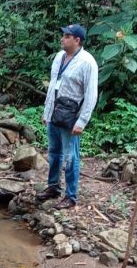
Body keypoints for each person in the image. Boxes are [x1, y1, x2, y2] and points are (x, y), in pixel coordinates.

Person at [36, 24, 99, 210]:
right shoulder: (59, 57)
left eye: (66, 36)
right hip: (55, 113)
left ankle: (71, 196)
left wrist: (82, 121)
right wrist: (46, 112)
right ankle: (53, 187)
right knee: (54, 152)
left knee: (71, 157)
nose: (62, 39)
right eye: (63, 35)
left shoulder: (87, 62)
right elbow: (53, 85)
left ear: (77, 40)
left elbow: (91, 95)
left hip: (71, 116)